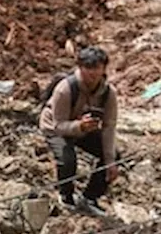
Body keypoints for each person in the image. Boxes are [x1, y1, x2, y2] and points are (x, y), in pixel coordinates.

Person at [40, 47, 120, 216]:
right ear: (80, 67)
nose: (92, 73)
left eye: (96, 68)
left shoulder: (108, 93)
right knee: (68, 159)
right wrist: (79, 126)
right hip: (56, 127)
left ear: (104, 69)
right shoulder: (65, 89)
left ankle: (90, 198)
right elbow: (58, 125)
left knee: (112, 155)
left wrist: (110, 160)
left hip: (85, 128)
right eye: (88, 68)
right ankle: (66, 197)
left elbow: (109, 127)